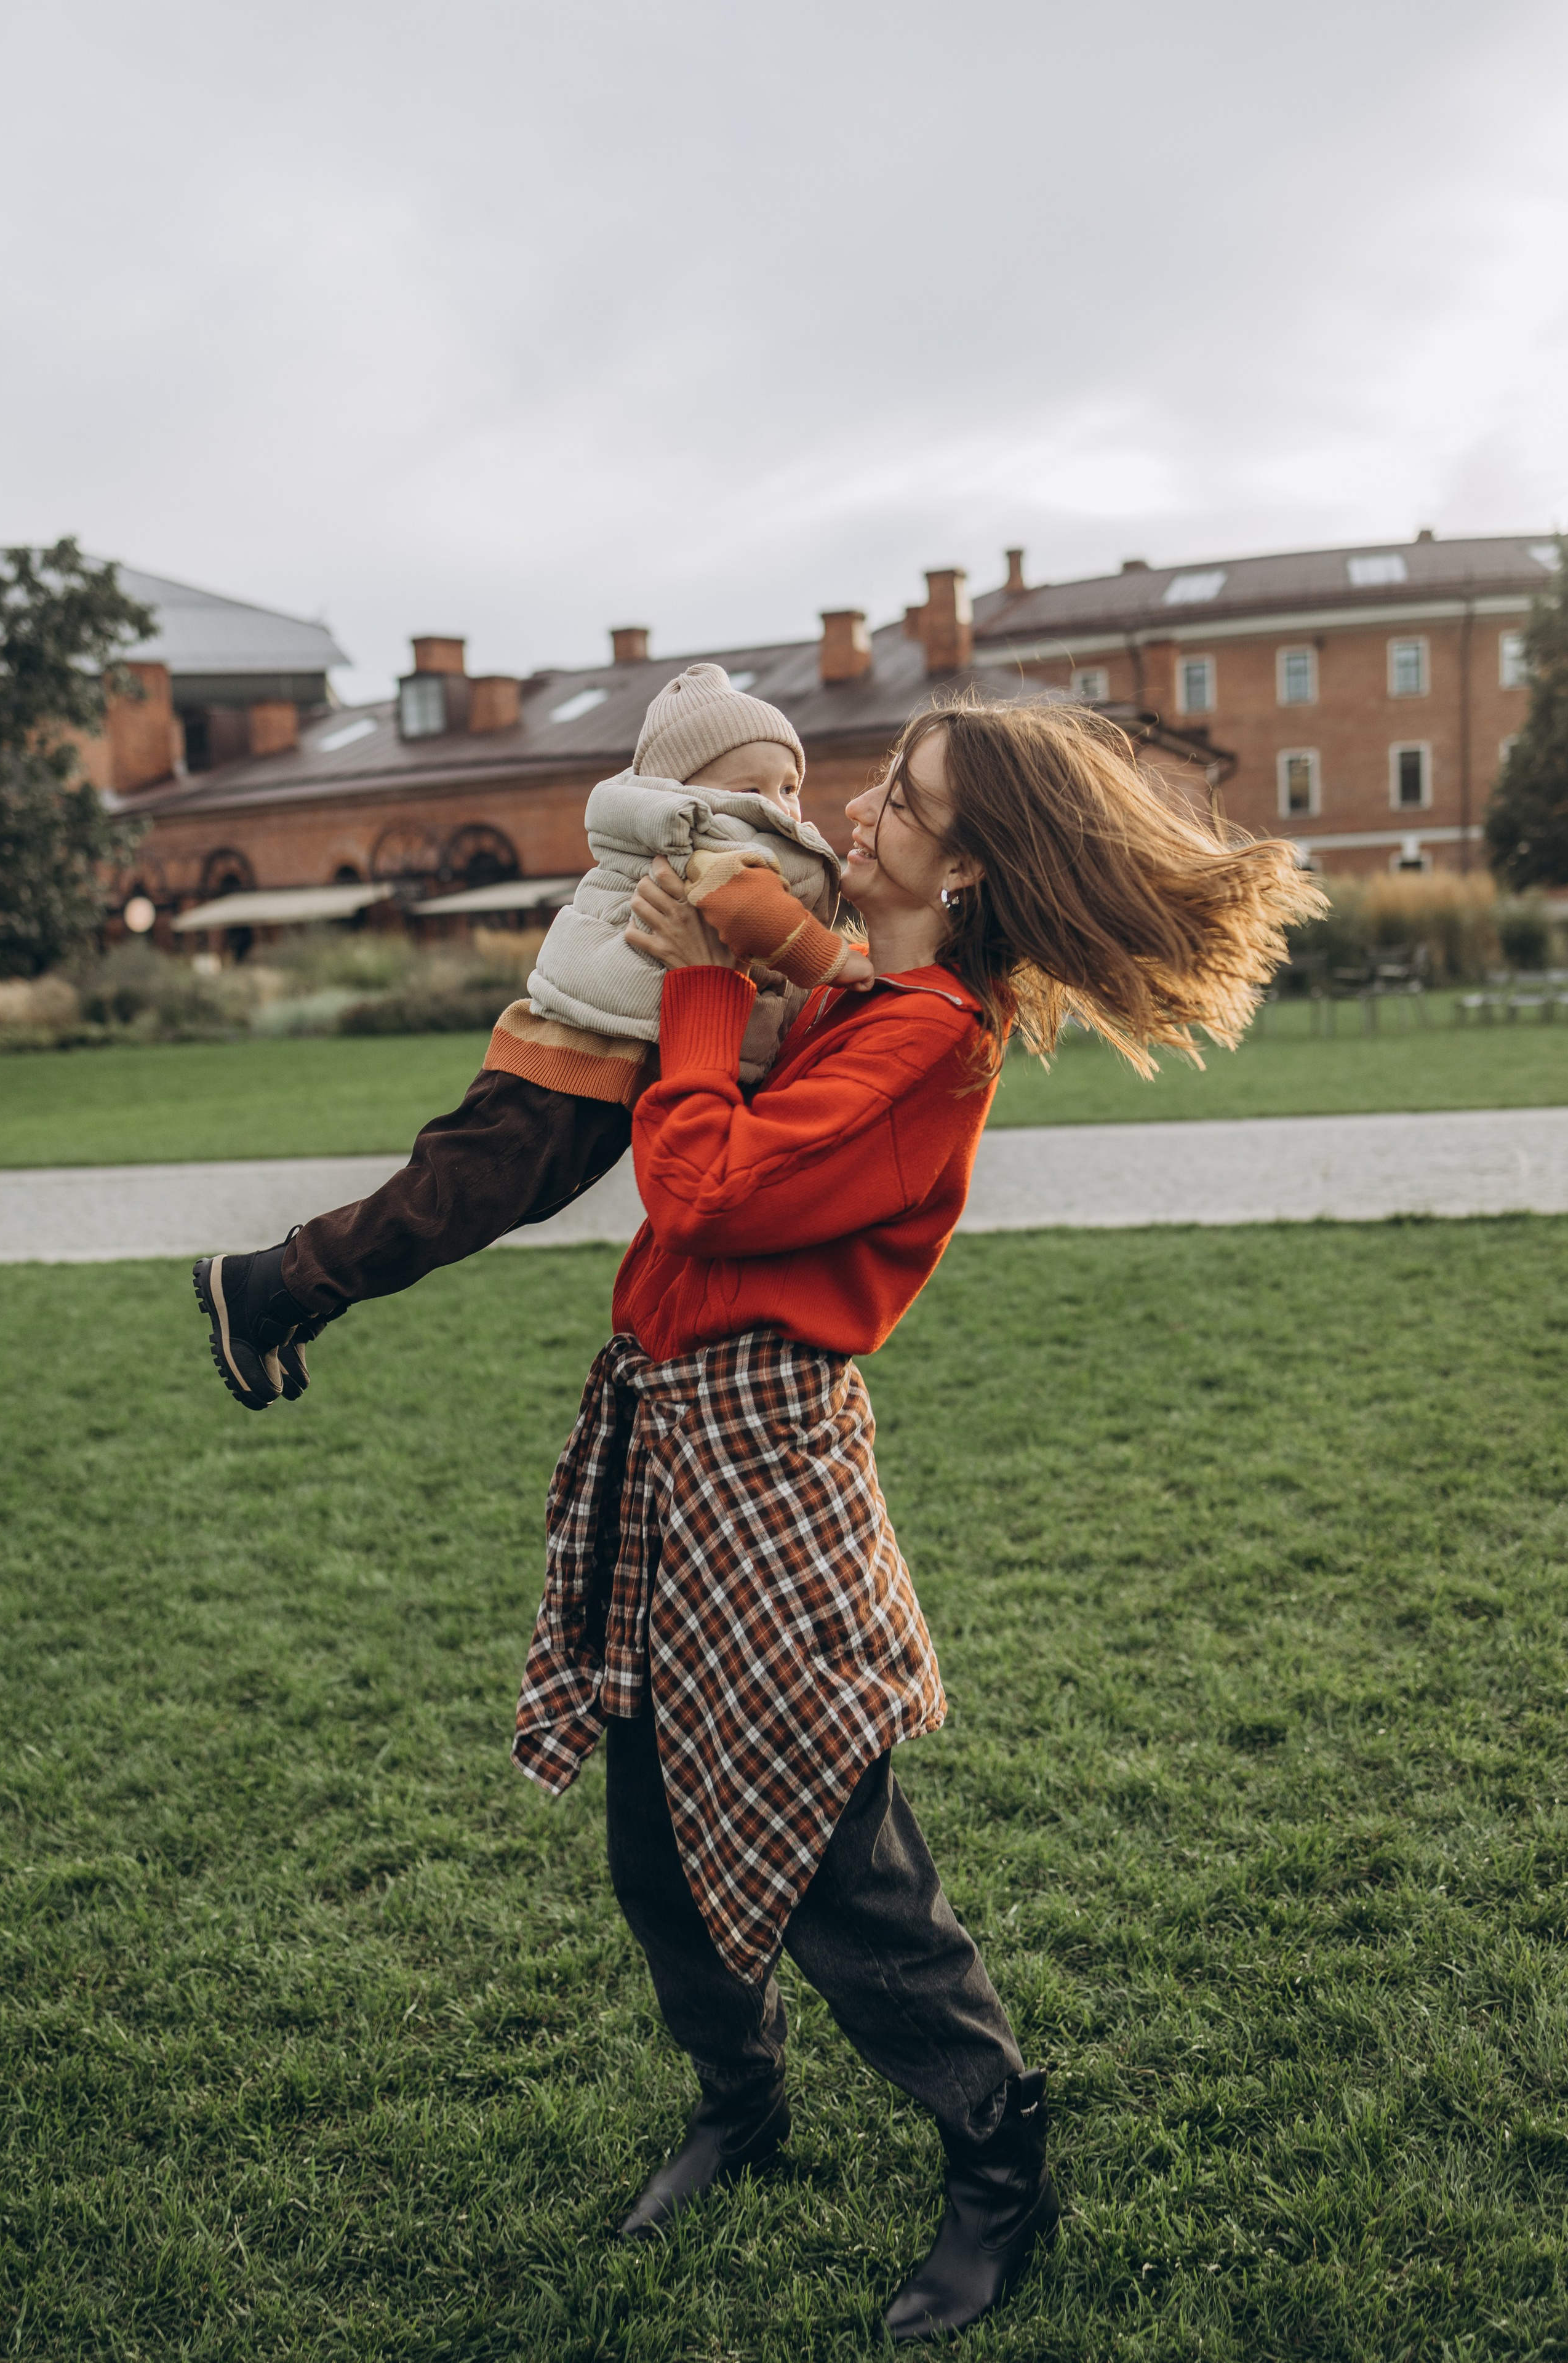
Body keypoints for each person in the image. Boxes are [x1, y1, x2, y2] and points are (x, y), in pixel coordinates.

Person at [511, 695, 1327, 2341]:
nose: (866, 803)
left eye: (908, 796)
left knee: (842, 1873)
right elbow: (752, 1037)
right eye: (885, 777)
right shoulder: (853, 987)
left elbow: (709, 1190)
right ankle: (741, 2110)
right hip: (672, 1439)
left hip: (767, 1468)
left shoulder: (925, 1039)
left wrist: (686, 982)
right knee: (656, 1855)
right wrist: (718, 949)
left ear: (969, 868)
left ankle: (997, 2156)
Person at [191, 665, 871, 1409]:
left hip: (595, 1068)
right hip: (569, 1063)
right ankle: (274, 1286)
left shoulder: (725, 828)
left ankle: (292, 1295)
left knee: (475, 1202)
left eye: (788, 787)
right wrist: (839, 962)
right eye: (752, 788)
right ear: (688, 787)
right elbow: (748, 910)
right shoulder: (703, 835)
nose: (776, 805)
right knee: (451, 1200)